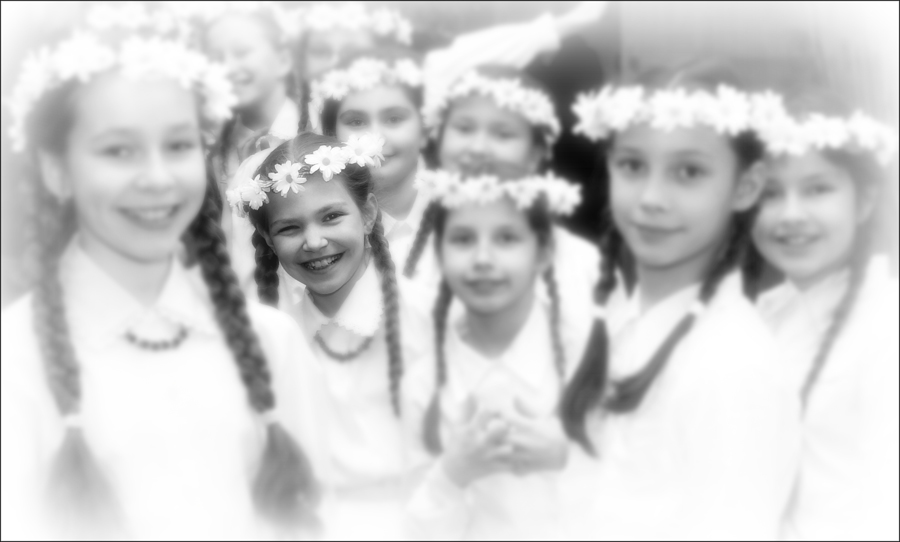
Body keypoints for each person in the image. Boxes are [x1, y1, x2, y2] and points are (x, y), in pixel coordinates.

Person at [0, 6, 318, 540]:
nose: (157, 177)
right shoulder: (15, 362)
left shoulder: (272, 341)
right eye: (119, 150)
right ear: (56, 170)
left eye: (178, 145)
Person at [560, 61, 801, 540]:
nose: (651, 197)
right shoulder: (624, 317)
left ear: (746, 187)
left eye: (688, 172)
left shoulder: (733, 365)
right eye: (632, 166)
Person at [229, 132, 431, 540]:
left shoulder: (424, 318)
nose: (315, 241)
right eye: (290, 227)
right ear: (268, 240)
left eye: (331, 217)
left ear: (368, 213)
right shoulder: (274, 338)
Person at [749, 88, 900, 541]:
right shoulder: (763, 313)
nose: (791, 215)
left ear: (865, 201)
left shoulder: (886, 326)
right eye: (770, 193)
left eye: (817, 189)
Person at [403, 171, 583, 540]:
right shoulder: (422, 385)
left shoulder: (588, 360)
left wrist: (569, 458)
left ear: (544, 251)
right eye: (463, 239)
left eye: (506, 238)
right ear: (439, 254)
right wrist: (451, 474)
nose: (483, 258)